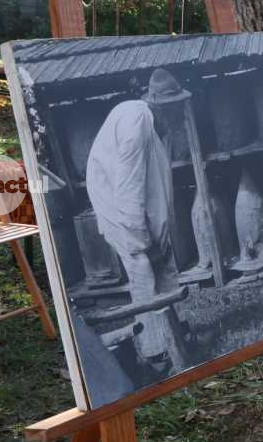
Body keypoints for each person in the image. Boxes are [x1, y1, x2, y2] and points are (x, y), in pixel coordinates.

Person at [86, 67, 189, 365]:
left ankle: (175, 333)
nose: (178, 110)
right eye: (175, 105)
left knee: (164, 261)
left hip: (133, 202)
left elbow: (149, 182)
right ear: (161, 103)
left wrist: (155, 233)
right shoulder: (136, 119)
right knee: (143, 269)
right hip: (118, 205)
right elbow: (128, 183)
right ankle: (155, 348)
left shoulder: (148, 119)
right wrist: (139, 236)